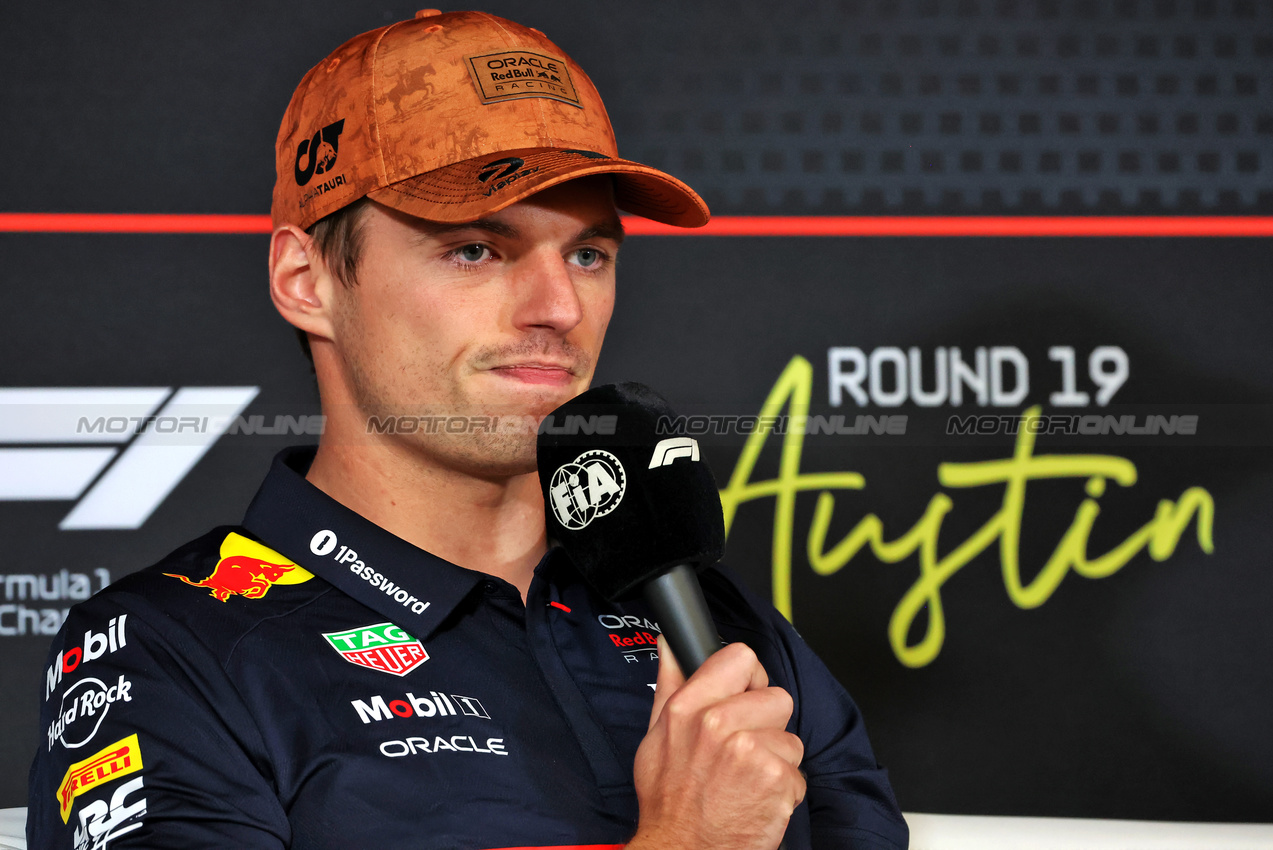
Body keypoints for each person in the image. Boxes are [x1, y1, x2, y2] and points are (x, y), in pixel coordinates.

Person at [28, 10, 908, 849]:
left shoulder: (722, 631)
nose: (559, 307)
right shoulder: (168, 649)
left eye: (588, 254)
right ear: (307, 280)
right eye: (475, 250)